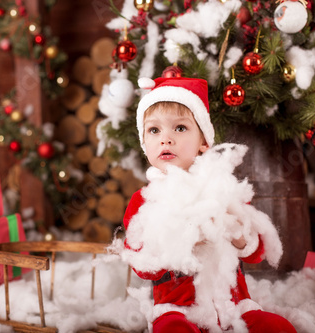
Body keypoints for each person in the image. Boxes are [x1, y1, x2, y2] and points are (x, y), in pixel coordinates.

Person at [121, 77, 297, 333]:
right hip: (178, 309)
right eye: (154, 130)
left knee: (277, 328)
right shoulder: (145, 200)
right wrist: (179, 243)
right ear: (144, 143)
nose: (165, 139)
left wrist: (238, 234)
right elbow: (141, 264)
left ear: (203, 142)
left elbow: (255, 252)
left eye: (180, 128)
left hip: (233, 307)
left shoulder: (222, 188)